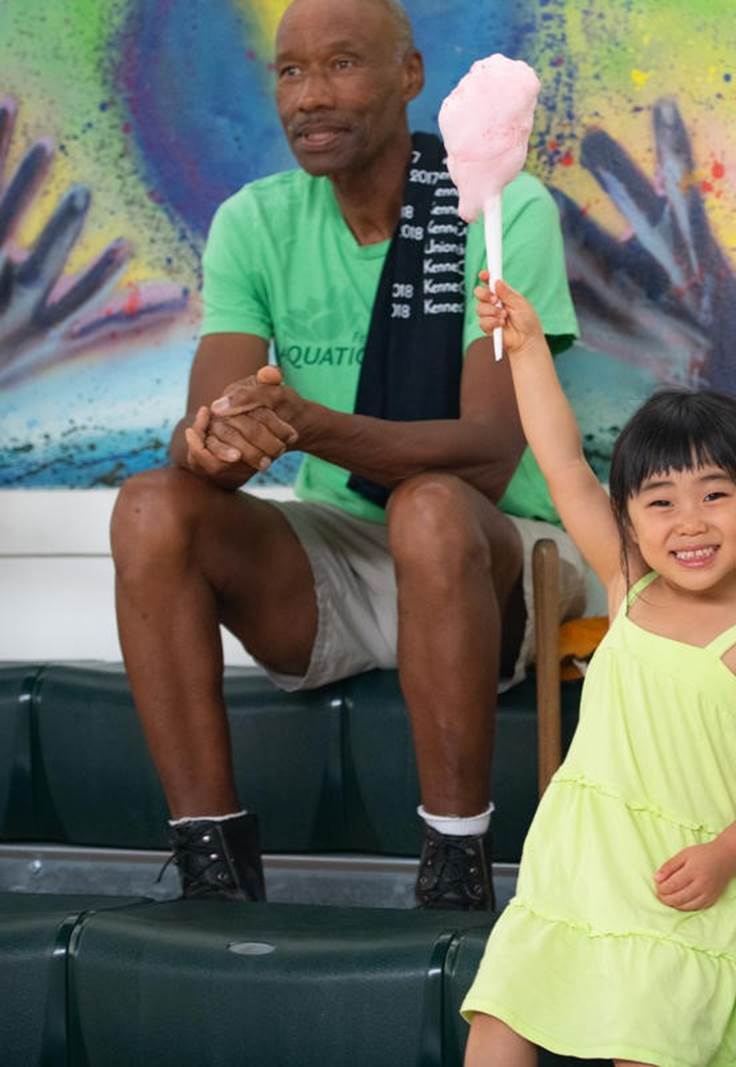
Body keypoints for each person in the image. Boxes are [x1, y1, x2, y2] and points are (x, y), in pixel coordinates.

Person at [107, 0, 584, 910]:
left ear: (409, 77)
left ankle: (455, 867)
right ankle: (213, 866)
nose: (309, 98)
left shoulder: (497, 207)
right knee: (149, 505)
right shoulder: (255, 220)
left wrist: (306, 422)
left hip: (496, 557)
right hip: (340, 553)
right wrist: (213, 436)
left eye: (340, 66)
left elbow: (486, 455)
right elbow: (214, 438)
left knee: (433, 506)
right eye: (290, 73)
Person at [458, 272, 736, 1067]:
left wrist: (725, 856)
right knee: (499, 1020)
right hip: (582, 863)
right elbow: (563, 463)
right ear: (629, 517)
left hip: (690, 877)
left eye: (715, 495)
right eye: (660, 502)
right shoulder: (626, 587)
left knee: (646, 1040)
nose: (691, 522)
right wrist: (526, 350)